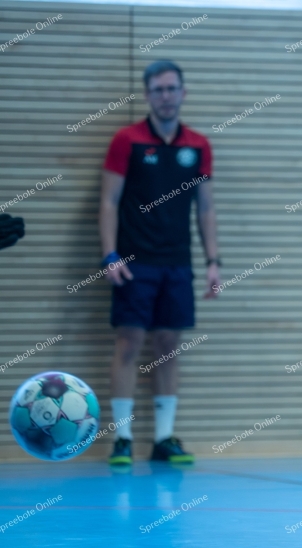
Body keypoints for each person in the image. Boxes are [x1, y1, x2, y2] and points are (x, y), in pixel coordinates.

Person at [99, 60, 220, 465]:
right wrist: (109, 254)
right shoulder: (126, 140)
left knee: (169, 346)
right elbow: (108, 201)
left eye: (172, 88)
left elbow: (206, 209)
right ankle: (123, 439)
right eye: (158, 89)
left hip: (177, 263)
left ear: (183, 92)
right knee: (129, 343)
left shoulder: (198, 146)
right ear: (148, 94)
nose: (166, 96)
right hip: (133, 262)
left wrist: (213, 261)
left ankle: (164, 439)